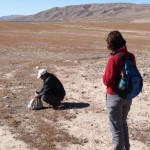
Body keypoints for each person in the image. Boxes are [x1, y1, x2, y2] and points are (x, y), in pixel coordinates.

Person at [102, 31, 136, 150]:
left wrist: (104, 74)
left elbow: (107, 81)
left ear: (111, 44)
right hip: (128, 96)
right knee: (123, 124)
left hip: (115, 97)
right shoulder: (130, 56)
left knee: (116, 130)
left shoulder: (114, 59)